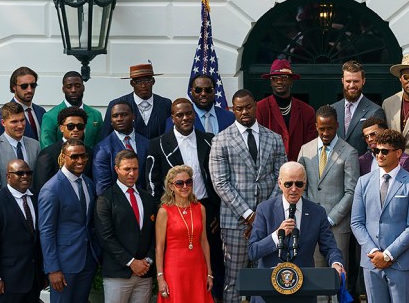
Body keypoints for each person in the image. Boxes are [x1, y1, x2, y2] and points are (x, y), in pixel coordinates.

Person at [209, 89, 287, 303]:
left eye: (248, 106)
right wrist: (248, 215)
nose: (244, 111)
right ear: (233, 110)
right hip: (235, 223)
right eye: (239, 108)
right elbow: (221, 183)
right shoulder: (221, 140)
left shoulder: (274, 138)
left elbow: (281, 179)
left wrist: (261, 215)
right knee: (236, 279)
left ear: (256, 106)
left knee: (269, 277)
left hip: (270, 221)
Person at [147, 98, 224, 301]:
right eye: (179, 114)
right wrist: (165, 211)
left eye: (189, 113)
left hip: (204, 210)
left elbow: (217, 177)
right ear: (172, 118)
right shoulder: (158, 144)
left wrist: (215, 211)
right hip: (172, 210)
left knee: (213, 264)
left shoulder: (209, 139)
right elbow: (152, 183)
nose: (185, 118)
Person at [248, 161, 345, 302]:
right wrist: (277, 235)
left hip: (303, 290)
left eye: (299, 184)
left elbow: (330, 247)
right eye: (288, 184)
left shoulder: (317, 212)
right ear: (280, 183)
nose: (294, 189)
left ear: (305, 184)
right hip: (268, 291)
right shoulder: (264, 209)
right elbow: (253, 251)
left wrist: (336, 263)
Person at [350, 130, 409, 303]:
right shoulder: (363, 181)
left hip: (401, 263)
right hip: (371, 261)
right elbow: (356, 222)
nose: (380, 155)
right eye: (377, 151)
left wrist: (388, 255)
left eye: (385, 151)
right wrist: (374, 252)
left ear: (398, 153)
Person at [38, 139, 100, 303]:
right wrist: (53, 269)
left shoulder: (88, 183)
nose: (80, 161)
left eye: (83, 156)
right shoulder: (51, 189)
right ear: (63, 157)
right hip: (63, 264)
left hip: (87, 259)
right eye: (74, 157)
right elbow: (46, 231)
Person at [297, 105, 359, 269]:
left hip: (337, 226)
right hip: (310, 223)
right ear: (316, 126)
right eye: (322, 128)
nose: (325, 133)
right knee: (315, 274)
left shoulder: (349, 152)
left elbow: (351, 192)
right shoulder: (305, 150)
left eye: (330, 128)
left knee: (337, 275)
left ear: (337, 126)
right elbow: (299, 187)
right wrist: (309, 215)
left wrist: (330, 218)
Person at [0, 158, 45, 303]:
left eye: (28, 173)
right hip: (7, 282)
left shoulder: (36, 198)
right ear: (8, 176)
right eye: (20, 173)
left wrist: (42, 274)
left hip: (33, 281)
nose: (25, 176)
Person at [95, 150, 156, 303]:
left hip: (144, 273)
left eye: (135, 169)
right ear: (116, 169)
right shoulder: (105, 199)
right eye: (126, 169)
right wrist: (131, 262)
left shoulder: (147, 198)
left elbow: (154, 234)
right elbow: (105, 237)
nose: (131, 173)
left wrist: (147, 261)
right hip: (117, 274)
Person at [156, 165, 214, 303]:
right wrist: (160, 277)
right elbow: (159, 246)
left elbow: (204, 241)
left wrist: (209, 273)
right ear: (171, 186)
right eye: (179, 183)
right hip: (174, 269)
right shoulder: (164, 211)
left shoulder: (200, 208)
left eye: (188, 182)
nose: (184, 186)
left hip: (198, 268)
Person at [256, 58, 317, 161]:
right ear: (271, 82)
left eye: (284, 78)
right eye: (275, 78)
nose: (279, 82)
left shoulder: (307, 111)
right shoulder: (260, 108)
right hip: (270, 169)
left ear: (291, 80)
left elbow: (311, 146)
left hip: (299, 168)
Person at [0, 102, 40, 197]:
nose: (20, 126)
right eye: (14, 122)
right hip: (6, 208)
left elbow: (38, 182)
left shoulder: (35, 145)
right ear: (3, 123)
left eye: (22, 120)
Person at [101, 63, 172, 140]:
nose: (143, 85)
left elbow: (171, 133)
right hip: (127, 151)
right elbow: (105, 137)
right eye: (138, 82)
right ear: (132, 83)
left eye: (147, 81)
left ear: (153, 81)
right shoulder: (116, 105)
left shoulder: (165, 104)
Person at [94, 101, 150, 194]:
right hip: (117, 204)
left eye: (124, 115)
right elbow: (103, 188)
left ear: (133, 116)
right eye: (115, 116)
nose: (119, 119)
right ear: (111, 120)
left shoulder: (147, 144)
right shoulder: (102, 148)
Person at [331, 60, 386, 155]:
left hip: (362, 167)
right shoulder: (332, 109)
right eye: (348, 81)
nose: (352, 85)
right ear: (342, 81)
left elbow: (375, 146)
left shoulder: (375, 111)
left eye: (356, 81)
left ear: (363, 81)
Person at [40, 71, 104, 150]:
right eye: (69, 86)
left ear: (83, 88)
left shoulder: (96, 115)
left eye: (77, 86)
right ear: (63, 89)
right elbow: (47, 149)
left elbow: (101, 146)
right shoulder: (50, 116)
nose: (73, 90)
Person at [35, 107, 89, 192]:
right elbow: (42, 188)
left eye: (80, 126)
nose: (75, 129)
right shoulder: (48, 154)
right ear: (61, 128)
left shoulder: (90, 152)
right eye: (70, 126)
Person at [164, 73, 235, 135]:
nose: (203, 93)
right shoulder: (176, 121)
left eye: (208, 90)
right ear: (191, 92)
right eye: (198, 90)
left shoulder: (230, 118)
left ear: (214, 91)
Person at [0, 67, 46, 140]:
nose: (29, 90)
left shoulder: (41, 111)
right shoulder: (2, 114)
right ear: (14, 87)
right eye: (24, 86)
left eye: (33, 85)